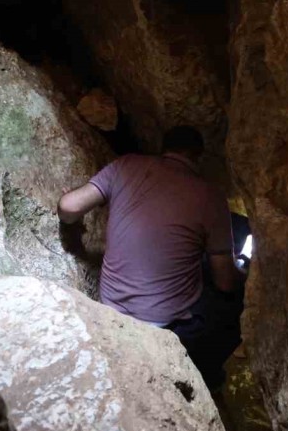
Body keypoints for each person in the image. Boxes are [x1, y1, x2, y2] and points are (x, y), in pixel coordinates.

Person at [57, 125, 241, 390]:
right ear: (198, 157)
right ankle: (205, 374)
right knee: (232, 300)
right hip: (163, 322)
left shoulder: (125, 165)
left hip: (112, 306)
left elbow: (68, 207)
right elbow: (225, 282)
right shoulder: (210, 196)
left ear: (162, 148)